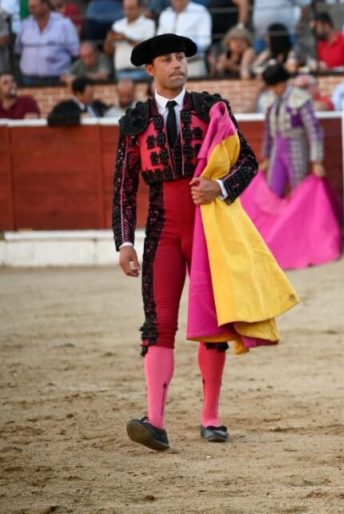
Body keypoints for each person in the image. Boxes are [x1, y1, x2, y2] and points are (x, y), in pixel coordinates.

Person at [112, 33, 260, 451]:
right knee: (159, 325)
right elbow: (123, 189)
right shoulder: (135, 122)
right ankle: (155, 421)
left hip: (208, 229)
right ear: (150, 69)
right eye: (168, 59)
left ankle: (211, 416)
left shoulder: (211, 109)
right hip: (161, 231)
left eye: (181, 58)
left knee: (211, 323)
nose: (178, 64)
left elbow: (248, 161)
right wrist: (124, 243)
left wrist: (221, 186)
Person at [259, 62, 326, 198]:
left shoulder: (300, 98)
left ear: (283, 82)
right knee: (273, 190)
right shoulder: (271, 100)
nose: (273, 90)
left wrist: (316, 161)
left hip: (296, 146)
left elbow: (314, 130)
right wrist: (266, 156)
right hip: (276, 149)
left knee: (300, 190)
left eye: (275, 86)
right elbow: (268, 131)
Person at [158, 0, 212, 75]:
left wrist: (183, 49)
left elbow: (205, 41)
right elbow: (159, 39)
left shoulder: (200, 12)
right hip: (169, 67)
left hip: (192, 64)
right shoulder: (165, 14)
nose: (178, 3)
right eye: (175, 0)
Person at [106, 0, 156, 78]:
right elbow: (109, 52)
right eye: (125, 8)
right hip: (120, 72)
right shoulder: (117, 25)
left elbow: (148, 49)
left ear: (139, 8)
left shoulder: (149, 24)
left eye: (131, 8)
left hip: (142, 72)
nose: (127, 11)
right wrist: (109, 40)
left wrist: (126, 39)